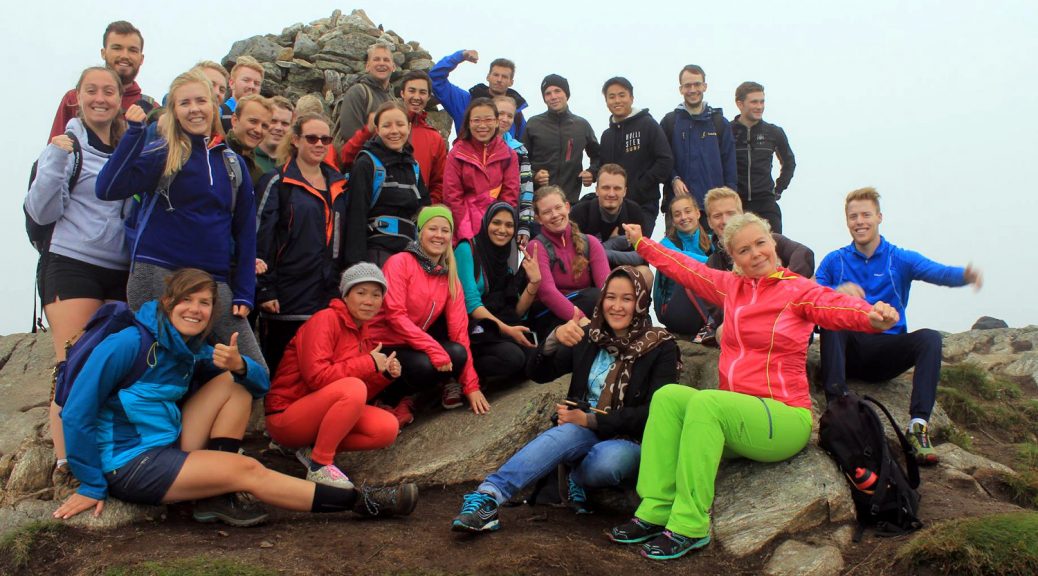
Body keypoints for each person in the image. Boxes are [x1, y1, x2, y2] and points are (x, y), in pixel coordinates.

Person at [610, 216, 899, 560]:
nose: (756, 253)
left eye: (760, 243)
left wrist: (871, 316)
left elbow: (833, 305)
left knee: (707, 403)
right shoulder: (731, 287)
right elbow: (685, 268)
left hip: (785, 418)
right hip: (738, 418)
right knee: (669, 397)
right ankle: (656, 508)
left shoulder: (797, 289)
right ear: (734, 258)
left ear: (773, 242)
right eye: (744, 250)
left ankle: (689, 524)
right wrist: (642, 244)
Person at [55, 268, 417, 526]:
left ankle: (215, 496)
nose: (195, 309)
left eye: (204, 302)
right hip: (130, 463)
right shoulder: (127, 344)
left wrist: (239, 364)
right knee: (248, 470)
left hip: (167, 443)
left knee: (235, 382)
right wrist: (92, 484)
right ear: (166, 302)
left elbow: (259, 385)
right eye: (186, 300)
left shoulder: (187, 348)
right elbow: (75, 413)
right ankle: (360, 502)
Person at [451, 266, 679, 533]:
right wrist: (552, 340)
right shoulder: (590, 336)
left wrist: (590, 420)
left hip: (630, 439)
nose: (617, 306)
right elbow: (538, 374)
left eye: (627, 299)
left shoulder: (662, 346)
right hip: (580, 429)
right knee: (561, 435)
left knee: (608, 462)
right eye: (610, 297)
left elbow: (654, 412)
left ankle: (575, 477)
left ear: (640, 303)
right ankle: (488, 497)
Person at [96, 69, 265, 372]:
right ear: (173, 110)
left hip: (213, 281)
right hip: (158, 273)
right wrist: (134, 134)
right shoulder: (164, 152)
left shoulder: (233, 164)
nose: (194, 109)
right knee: (154, 369)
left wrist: (244, 291)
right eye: (184, 103)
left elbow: (245, 232)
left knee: (253, 368)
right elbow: (107, 188)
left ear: (215, 105)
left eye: (201, 101)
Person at [817, 187, 983, 465]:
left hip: (886, 353)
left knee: (930, 338)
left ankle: (918, 426)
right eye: (853, 216)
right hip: (849, 352)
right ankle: (838, 407)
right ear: (847, 221)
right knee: (832, 320)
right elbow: (809, 295)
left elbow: (937, 272)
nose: (860, 222)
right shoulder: (835, 260)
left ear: (879, 217)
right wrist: (837, 292)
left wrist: (965, 276)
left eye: (866, 215)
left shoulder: (899, 258)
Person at [25, 66, 130, 491]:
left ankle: (103, 456)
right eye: (92, 90)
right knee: (73, 363)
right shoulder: (65, 147)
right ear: (77, 97)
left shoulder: (127, 148)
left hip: (119, 269)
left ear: (120, 99)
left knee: (112, 365)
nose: (100, 98)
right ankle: (67, 463)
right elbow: (41, 211)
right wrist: (55, 159)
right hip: (72, 263)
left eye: (108, 91)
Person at [265, 263, 402, 487]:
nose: (369, 301)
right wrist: (368, 362)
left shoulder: (365, 333)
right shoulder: (325, 319)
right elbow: (316, 377)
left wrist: (383, 374)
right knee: (353, 387)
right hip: (287, 415)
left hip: (320, 414)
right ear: (345, 295)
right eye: (361, 293)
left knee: (386, 428)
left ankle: (311, 449)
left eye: (376, 295)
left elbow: (357, 398)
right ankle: (320, 465)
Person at [367, 206, 486, 421]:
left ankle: (408, 396)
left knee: (457, 353)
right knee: (424, 365)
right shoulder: (400, 262)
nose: (439, 235)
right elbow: (395, 316)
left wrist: (471, 386)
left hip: (412, 345)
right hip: (382, 344)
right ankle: (388, 399)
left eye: (445, 230)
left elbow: (459, 331)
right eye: (432, 229)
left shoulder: (449, 277)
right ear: (420, 232)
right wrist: (433, 348)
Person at [255, 113, 347, 374]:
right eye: (312, 138)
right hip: (285, 297)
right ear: (295, 140)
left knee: (316, 371)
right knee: (280, 372)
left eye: (325, 139)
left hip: (325, 295)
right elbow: (260, 236)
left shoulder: (339, 185)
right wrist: (265, 289)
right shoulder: (277, 181)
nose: (319, 144)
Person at [700, 186, 814, 344]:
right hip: (747, 325)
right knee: (722, 330)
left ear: (741, 213)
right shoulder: (712, 264)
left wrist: (783, 287)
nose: (725, 220)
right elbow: (720, 312)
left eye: (731, 213)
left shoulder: (768, 240)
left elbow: (804, 254)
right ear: (709, 222)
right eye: (717, 216)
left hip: (785, 316)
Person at [455, 202, 541, 383]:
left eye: (509, 225)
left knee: (533, 359)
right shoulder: (467, 249)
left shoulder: (509, 253)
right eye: (496, 223)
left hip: (501, 324)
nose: (502, 230)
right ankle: (463, 374)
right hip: (475, 328)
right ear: (486, 222)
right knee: (514, 358)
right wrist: (509, 331)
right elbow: (471, 304)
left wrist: (534, 283)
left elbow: (516, 310)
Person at [343, 101, 428, 267]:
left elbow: (425, 212)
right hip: (376, 254)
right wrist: (356, 267)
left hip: (410, 254)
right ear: (377, 130)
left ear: (409, 127)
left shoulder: (413, 167)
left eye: (400, 124)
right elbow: (356, 216)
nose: (394, 131)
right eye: (387, 125)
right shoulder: (366, 164)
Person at [527, 186, 610, 340]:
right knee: (594, 297)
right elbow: (547, 293)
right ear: (538, 219)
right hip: (549, 315)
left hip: (587, 311)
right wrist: (582, 320)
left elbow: (606, 287)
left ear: (567, 207)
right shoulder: (536, 247)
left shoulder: (590, 242)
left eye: (558, 207)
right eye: (547, 212)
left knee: (606, 297)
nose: (555, 215)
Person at [661, 65, 737, 231]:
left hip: (713, 211)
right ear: (681, 89)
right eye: (687, 85)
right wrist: (674, 179)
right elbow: (662, 160)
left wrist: (730, 204)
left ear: (705, 86)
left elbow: (730, 167)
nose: (692, 90)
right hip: (679, 210)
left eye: (697, 84)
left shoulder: (719, 123)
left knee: (715, 249)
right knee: (676, 249)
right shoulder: (670, 122)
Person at [50, 21, 154, 139]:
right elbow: (54, 147)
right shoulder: (74, 99)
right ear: (103, 53)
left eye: (132, 50)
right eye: (117, 48)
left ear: (141, 58)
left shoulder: (152, 109)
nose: (125, 55)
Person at [598, 77, 673, 236]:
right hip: (613, 208)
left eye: (622, 95)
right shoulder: (607, 135)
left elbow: (665, 160)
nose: (617, 100)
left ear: (631, 98)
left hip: (643, 205)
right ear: (606, 101)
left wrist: (641, 186)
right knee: (612, 249)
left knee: (638, 248)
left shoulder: (648, 125)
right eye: (612, 97)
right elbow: (602, 167)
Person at [443, 98, 519, 241]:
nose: (482, 125)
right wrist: (467, 236)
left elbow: (509, 197)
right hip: (463, 230)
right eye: (476, 120)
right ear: (469, 123)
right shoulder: (456, 154)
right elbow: (452, 197)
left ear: (496, 122)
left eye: (488, 120)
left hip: (496, 231)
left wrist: (497, 228)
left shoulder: (509, 155)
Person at [521, 74, 601, 204]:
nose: (553, 96)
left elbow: (599, 156)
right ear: (544, 98)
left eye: (557, 91)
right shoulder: (533, 124)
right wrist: (535, 176)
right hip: (538, 203)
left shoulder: (581, 125)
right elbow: (520, 161)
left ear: (566, 94)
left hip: (570, 202)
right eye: (548, 93)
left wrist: (592, 173)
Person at [568, 164, 652, 282]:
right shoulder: (580, 212)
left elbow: (642, 256)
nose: (611, 194)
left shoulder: (634, 212)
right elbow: (574, 256)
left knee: (645, 273)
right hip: (589, 272)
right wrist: (613, 244)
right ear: (597, 190)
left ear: (625, 191)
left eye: (617, 188)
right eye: (606, 188)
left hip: (622, 274)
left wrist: (605, 252)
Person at [731, 81, 796, 234]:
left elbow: (789, 162)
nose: (759, 106)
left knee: (775, 245)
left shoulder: (774, 132)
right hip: (736, 203)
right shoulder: (727, 131)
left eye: (762, 101)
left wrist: (778, 189)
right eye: (754, 102)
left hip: (765, 202)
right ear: (740, 104)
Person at [429, 49, 528, 138]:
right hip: (466, 152)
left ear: (511, 82)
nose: (499, 80)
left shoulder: (515, 115)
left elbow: (524, 145)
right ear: (488, 77)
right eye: (496, 75)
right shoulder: (465, 102)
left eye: (504, 77)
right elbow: (435, 78)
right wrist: (460, 56)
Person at [652, 196, 713, 337]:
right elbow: (683, 261)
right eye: (677, 214)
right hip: (675, 310)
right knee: (689, 274)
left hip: (707, 306)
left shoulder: (712, 242)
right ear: (673, 221)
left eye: (687, 211)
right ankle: (711, 325)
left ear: (697, 213)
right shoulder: (665, 245)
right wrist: (714, 262)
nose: (684, 217)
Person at [493, 95, 536, 247]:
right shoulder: (476, 145)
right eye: (500, 113)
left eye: (510, 116)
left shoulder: (519, 150)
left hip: (510, 217)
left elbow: (526, 189)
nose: (505, 119)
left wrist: (525, 224)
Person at [399, 70, 447, 204]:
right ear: (402, 93)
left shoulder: (434, 138)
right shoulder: (387, 127)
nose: (417, 97)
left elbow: (439, 182)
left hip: (420, 210)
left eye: (422, 92)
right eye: (412, 91)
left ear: (428, 97)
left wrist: (428, 207)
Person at [336, 43, 396, 144]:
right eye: (376, 59)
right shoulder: (357, 93)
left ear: (393, 67)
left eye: (386, 60)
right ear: (367, 66)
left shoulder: (394, 100)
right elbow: (350, 134)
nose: (381, 63)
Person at [226, 94, 273, 185]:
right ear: (235, 120)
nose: (258, 130)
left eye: (264, 126)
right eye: (253, 121)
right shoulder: (213, 155)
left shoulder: (258, 174)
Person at [221, 56, 265, 132]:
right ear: (232, 83)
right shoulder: (220, 113)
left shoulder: (265, 119)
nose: (252, 86)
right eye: (246, 80)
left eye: (256, 83)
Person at [255, 96, 293, 174]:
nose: (278, 128)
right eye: (273, 121)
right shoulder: (246, 156)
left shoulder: (295, 162)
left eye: (285, 123)